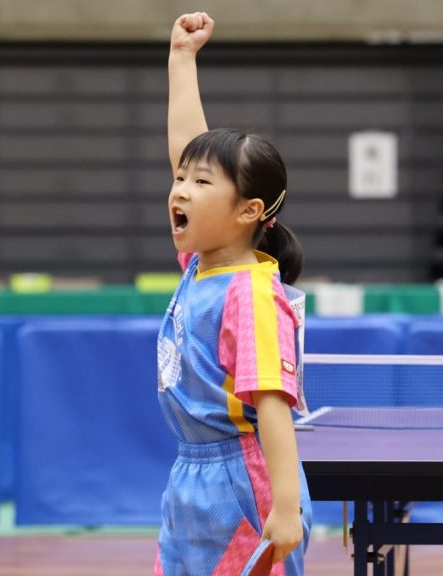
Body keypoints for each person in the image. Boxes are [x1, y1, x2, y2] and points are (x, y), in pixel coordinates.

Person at [157, 12, 311, 575]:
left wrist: (288, 507)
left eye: (201, 183)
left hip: (245, 481)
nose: (181, 189)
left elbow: (273, 406)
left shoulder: (252, 295)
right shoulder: (201, 266)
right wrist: (182, 58)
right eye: (180, 180)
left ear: (249, 211)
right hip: (190, 476)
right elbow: (187, 144)